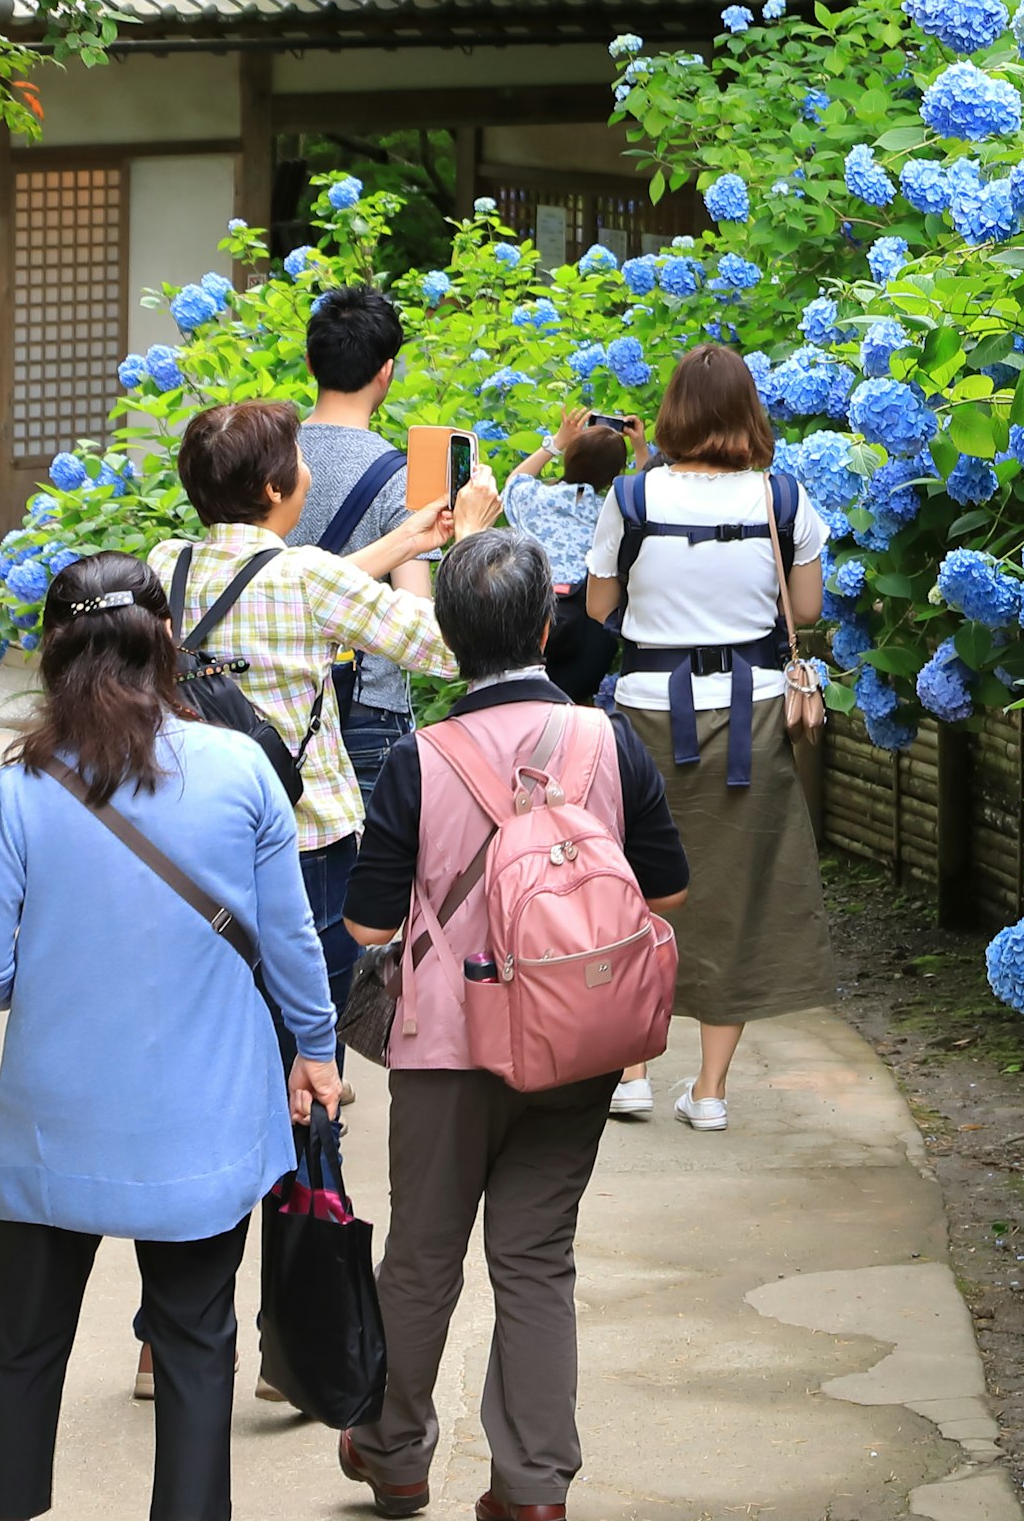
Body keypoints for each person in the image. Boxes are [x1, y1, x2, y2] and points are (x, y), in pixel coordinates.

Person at [0, 552, 345, 1521]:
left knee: (24, 1342)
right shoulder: (240, 768)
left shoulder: (19, 788)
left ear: (53, 650)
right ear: (167, 639)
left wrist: (44, 980)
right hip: (199, 1129)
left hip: (54, 1129)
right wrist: (316, 1047)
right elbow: (290, 940)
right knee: (196, 1347)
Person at [331, 529, 692, 1521]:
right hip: (572, 1044)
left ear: (446, 638)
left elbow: (367, 921)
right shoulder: (607, 740)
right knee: (536, 1260)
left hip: (445, 1047)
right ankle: (533, 1489)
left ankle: (396, 1456)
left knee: (422, 1257)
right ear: (546, 624)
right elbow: (666, 889)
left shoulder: (419, 755)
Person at [148, 398, 492, 1407]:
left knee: (207, 1073)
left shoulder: (164, 564)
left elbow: (282, 588)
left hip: (185, 856)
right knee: (310, 1074)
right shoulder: (305, 580)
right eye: (296, 462)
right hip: (303, 856)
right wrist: (464, 541)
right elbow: (446, 646)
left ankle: (157, 1331)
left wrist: (398, 539)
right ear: (274, 489)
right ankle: (299, 1332)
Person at [580, 344, 836, 1130]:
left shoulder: (631, 496)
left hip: (647, 712)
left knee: (631, 889)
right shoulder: (782, 498)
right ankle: (714, 1092)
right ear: (748, 409)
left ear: (674, 412)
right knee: (740, 890)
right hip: (753, 712)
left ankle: (631, 1074)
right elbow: (807, 611)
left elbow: (596, 609)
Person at [290, 284, 426, 798]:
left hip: (270, 699)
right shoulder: (399, 478)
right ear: (386, 371)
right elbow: (414, 616)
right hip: (365, 706)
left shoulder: (267, 458)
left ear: (310, 362)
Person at [501, 408, 632, 704]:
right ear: (615, 476)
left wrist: (557, 442)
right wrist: (638, 448)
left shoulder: (533, 499)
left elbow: (514, 481)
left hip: (531, 626)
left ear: (570, 458)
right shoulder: (613, 514)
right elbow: (648, 507)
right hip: (584, 643)